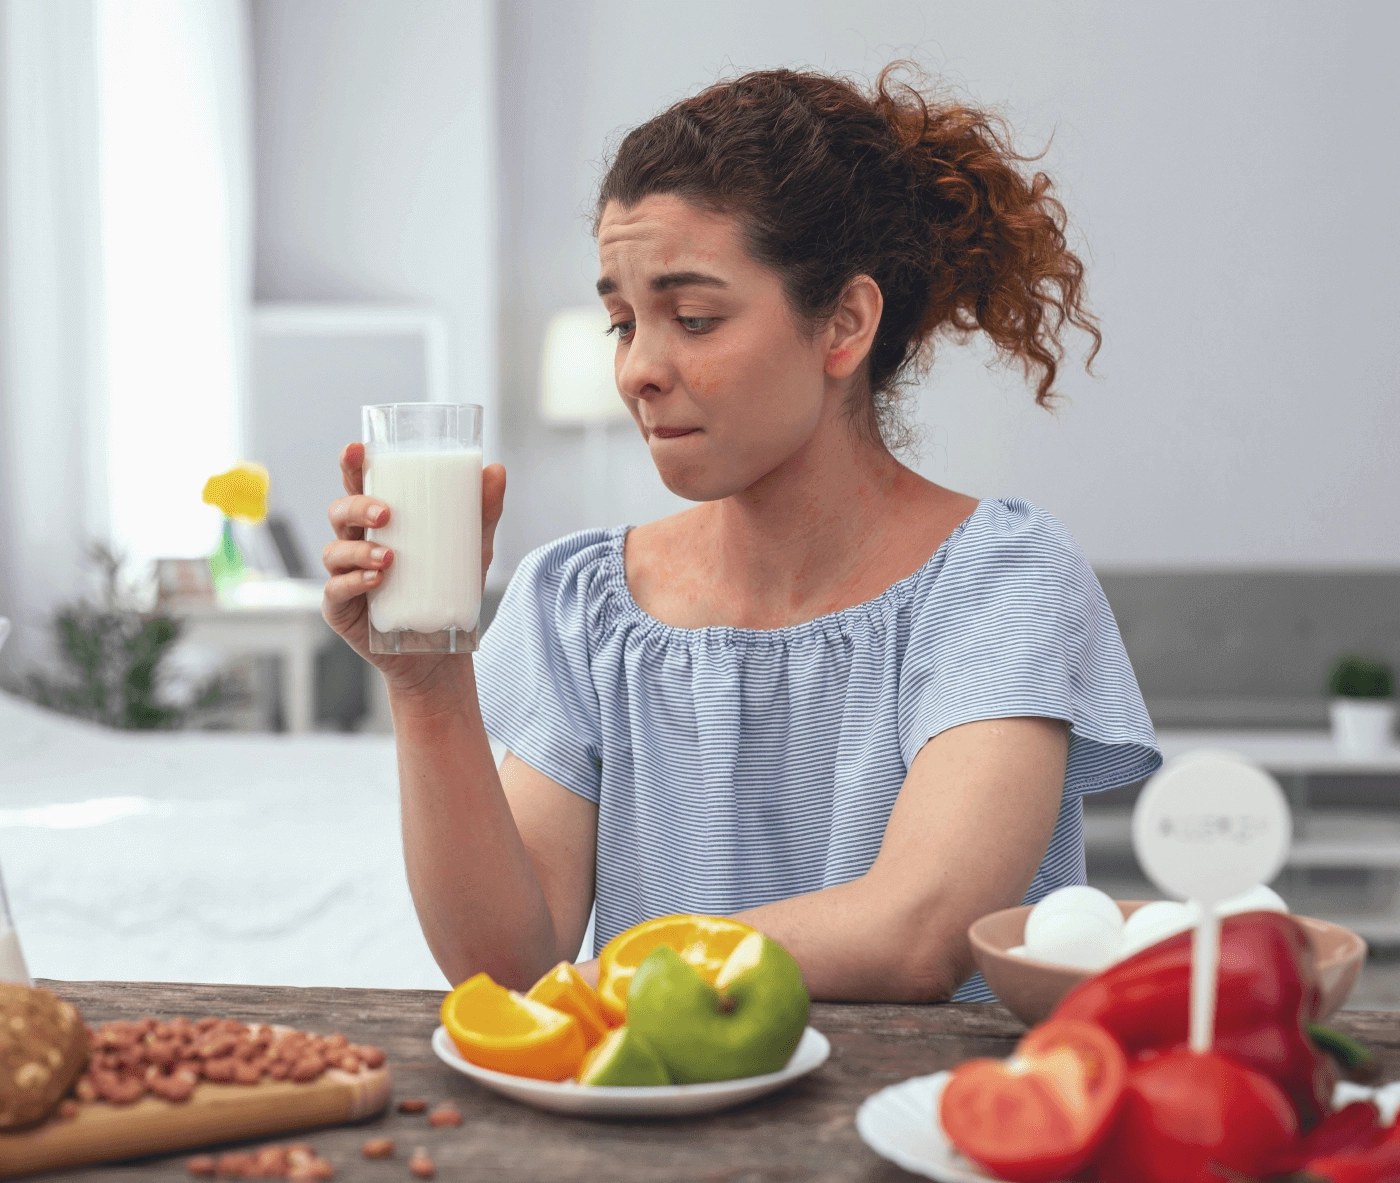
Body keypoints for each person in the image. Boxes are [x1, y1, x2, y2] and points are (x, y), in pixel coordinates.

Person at [322, 66, 1159, 1003]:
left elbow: (920, 931)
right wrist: (430, 685)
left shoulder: (1000, 579)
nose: (638, 367)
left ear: (844, 324)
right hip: (655, 1136)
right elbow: (513, 968)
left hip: (925, 1132)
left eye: (694, 318)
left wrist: (612, 979)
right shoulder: (581, 602)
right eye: (622, 322)